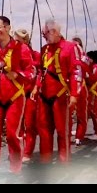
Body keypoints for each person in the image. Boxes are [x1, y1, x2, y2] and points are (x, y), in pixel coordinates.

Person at [31, 18, 82, 164]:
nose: (43, 36)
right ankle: (45, 161)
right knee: (44, 131)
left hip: (61, 96)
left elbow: (76, 71)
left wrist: (74, 94)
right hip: (44, 95)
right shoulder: (45, 50)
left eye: (44, 33)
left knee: (62, 131)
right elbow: (41, 71)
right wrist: (36, 86)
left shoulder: (70, 47)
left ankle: (63, 163)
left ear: (53, 31)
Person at [0, 17, 34, 176]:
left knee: (13, 135)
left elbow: (31, 72)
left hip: (15, 97)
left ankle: (15, 170)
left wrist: (17, 74)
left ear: (8, 28)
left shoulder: (21, 48)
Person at [13, 28, 40, 163]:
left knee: (29, 125)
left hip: (30, 94)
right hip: (17, 95)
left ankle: (28, 152)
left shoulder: (35, 55)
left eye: (18, 40)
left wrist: (36, 87)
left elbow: (41, 73)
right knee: (19, 125)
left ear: (25, 40)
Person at [71, 37, 90, 146]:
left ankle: (79, 136)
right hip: (73, 87)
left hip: (80, 88)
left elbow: (87, 70)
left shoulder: (84, 58)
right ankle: (70, 134)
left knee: (81, 114)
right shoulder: (73, 56)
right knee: (69, 114)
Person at [86, 50, 97, 140]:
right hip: (90, 92)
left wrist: (86, 74)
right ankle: (96, 131)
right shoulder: (93, 66)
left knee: (94, 113)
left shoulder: (96, 67)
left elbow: (92, 79)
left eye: (88, 57)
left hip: (93, 93)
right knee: (89, 112)